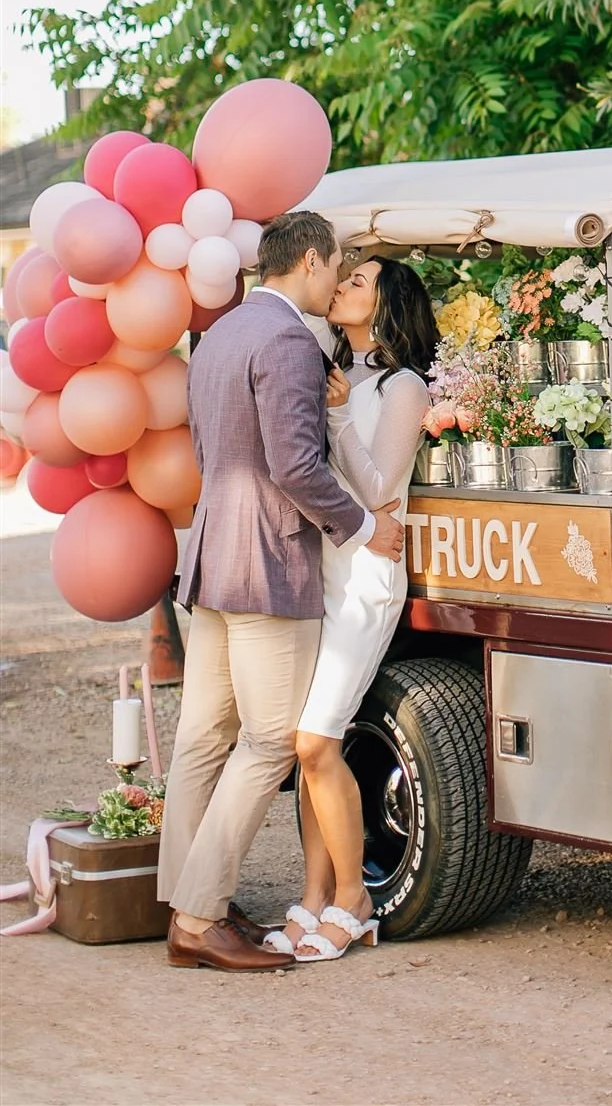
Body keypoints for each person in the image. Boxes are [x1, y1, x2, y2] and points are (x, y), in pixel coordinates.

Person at [158, 214, 406, 972]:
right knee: (269, 741)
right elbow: (296, 467)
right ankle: (199, 918)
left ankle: (180, 899)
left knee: (203, 738)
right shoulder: (292, 341)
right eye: (336, 265)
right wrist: (364, 527)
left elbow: (210, 450)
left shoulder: (220, 332)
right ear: (310, 261)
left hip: (213, 559)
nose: (336, 280)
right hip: (268, 563)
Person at [264, 256, 436, 962]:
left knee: (316, 740)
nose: (341, 286)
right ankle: (314, 896)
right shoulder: (337, 370)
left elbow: (379, 490)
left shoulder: (404, 386)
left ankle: (354, 898)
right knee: (308, 746)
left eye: (358, 281)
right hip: (322, 569)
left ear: (388, 303)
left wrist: (337, 417)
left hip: (366, 577)